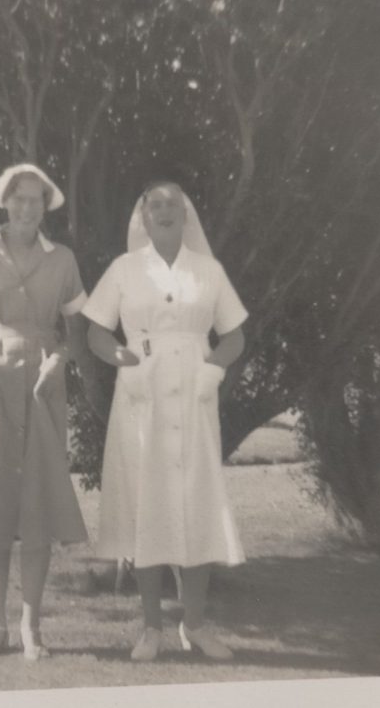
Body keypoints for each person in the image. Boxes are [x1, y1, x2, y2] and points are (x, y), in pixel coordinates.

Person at [82, 181, 247, 662]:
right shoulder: (124, 269)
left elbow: (235, 335)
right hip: (142, 393)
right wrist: (120, 356)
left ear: (185, 213)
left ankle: (194, 625)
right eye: (155, 205)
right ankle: (151, 627)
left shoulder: (209, 270)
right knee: (146, 504)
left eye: (173, 204)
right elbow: (95, 332)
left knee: (197, 505)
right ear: (143, 216)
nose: (164, 211)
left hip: (195, 393)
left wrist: (214, 370)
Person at [0, 163, 88, 661]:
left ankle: (32, 627)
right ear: (5, 201)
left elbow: (75, 331)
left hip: (43, 386)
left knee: (37, 504)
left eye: (36, 200)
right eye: (19, 198)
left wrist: (58, 359)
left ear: (45, 205)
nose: (27, 208)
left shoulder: (62, 259)